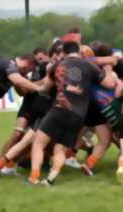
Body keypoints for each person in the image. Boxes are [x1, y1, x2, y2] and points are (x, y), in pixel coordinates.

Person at [27, 41, 117, 185]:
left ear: (64, 52)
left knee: (38, 142)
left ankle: (34, 177)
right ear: (78, 51)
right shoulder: (89, 65)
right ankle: (51, 177)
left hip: (59, 109)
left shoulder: (57, 66)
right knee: (60, 148)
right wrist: (107, 69)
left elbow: (46, 87)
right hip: (79, 115)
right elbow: (110, 84)